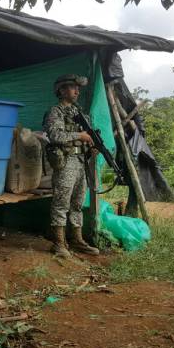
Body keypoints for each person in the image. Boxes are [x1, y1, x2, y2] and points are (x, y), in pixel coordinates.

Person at [43, 74, 100, 257]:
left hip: (81, 161)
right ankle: (59, 243)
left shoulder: (79, 113)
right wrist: (79, 136)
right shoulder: (56, 112)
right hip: (65, 161)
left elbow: (88, 136)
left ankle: (77, 240)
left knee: (77, 202)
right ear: (61, 90)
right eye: (72, 87)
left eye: (78, 88)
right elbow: (54, 136)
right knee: (61, 202)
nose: (77, 91)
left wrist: (91, 147)